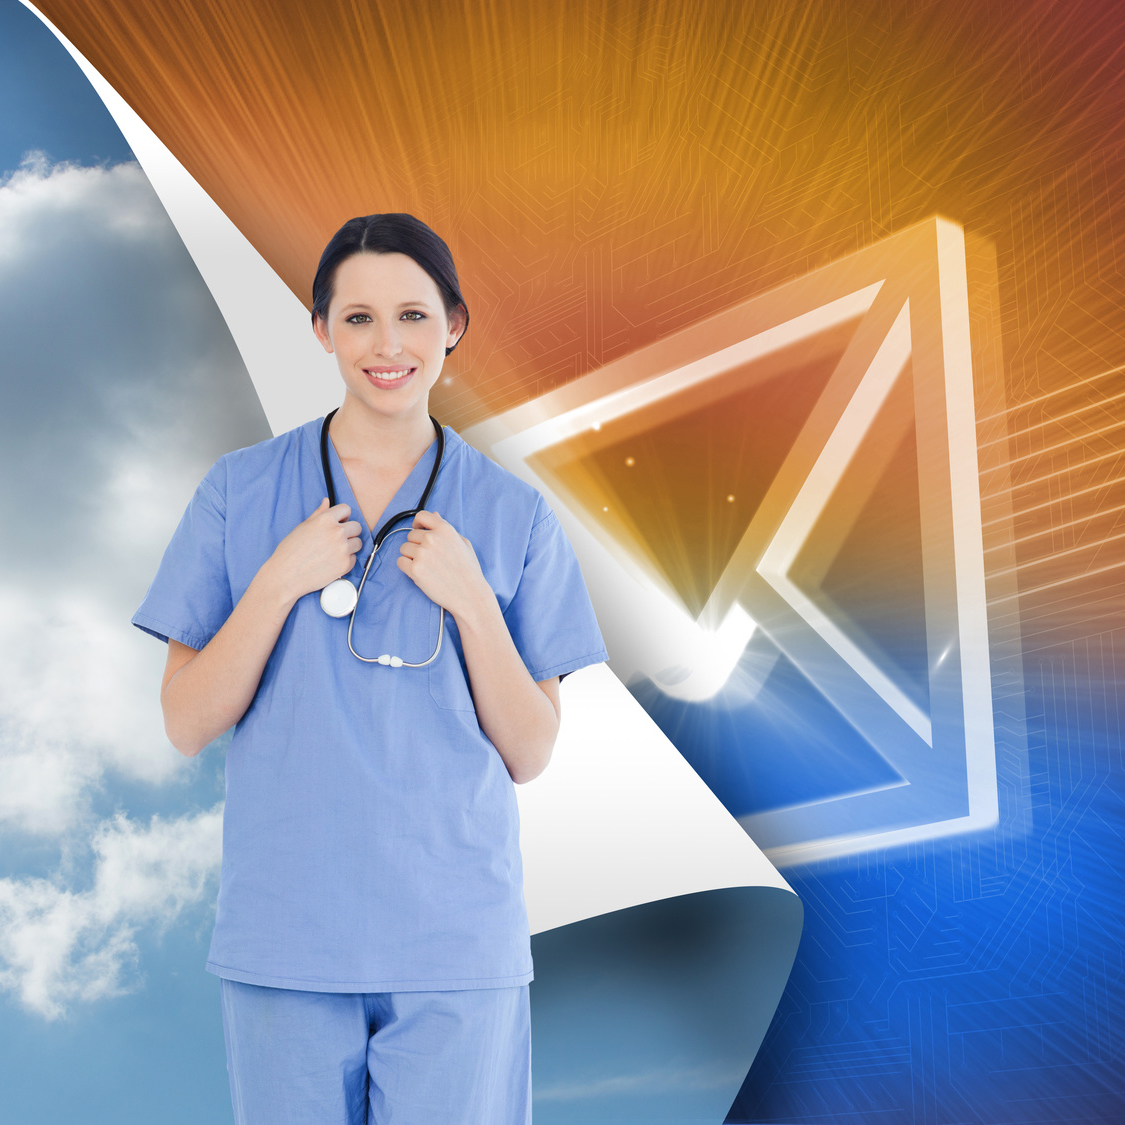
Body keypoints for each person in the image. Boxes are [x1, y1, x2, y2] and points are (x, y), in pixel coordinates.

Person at [131, 213, 608, 1125]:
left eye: (413, 317)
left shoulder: (514, 515)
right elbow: (186, 720)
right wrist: (276, 583)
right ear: (319, 330)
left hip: (455, 945)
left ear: (454, 326)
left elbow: (531, 750)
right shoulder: (239, 491)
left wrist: (472, 599)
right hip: (288, 938)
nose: (387, 345)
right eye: (356, 319)